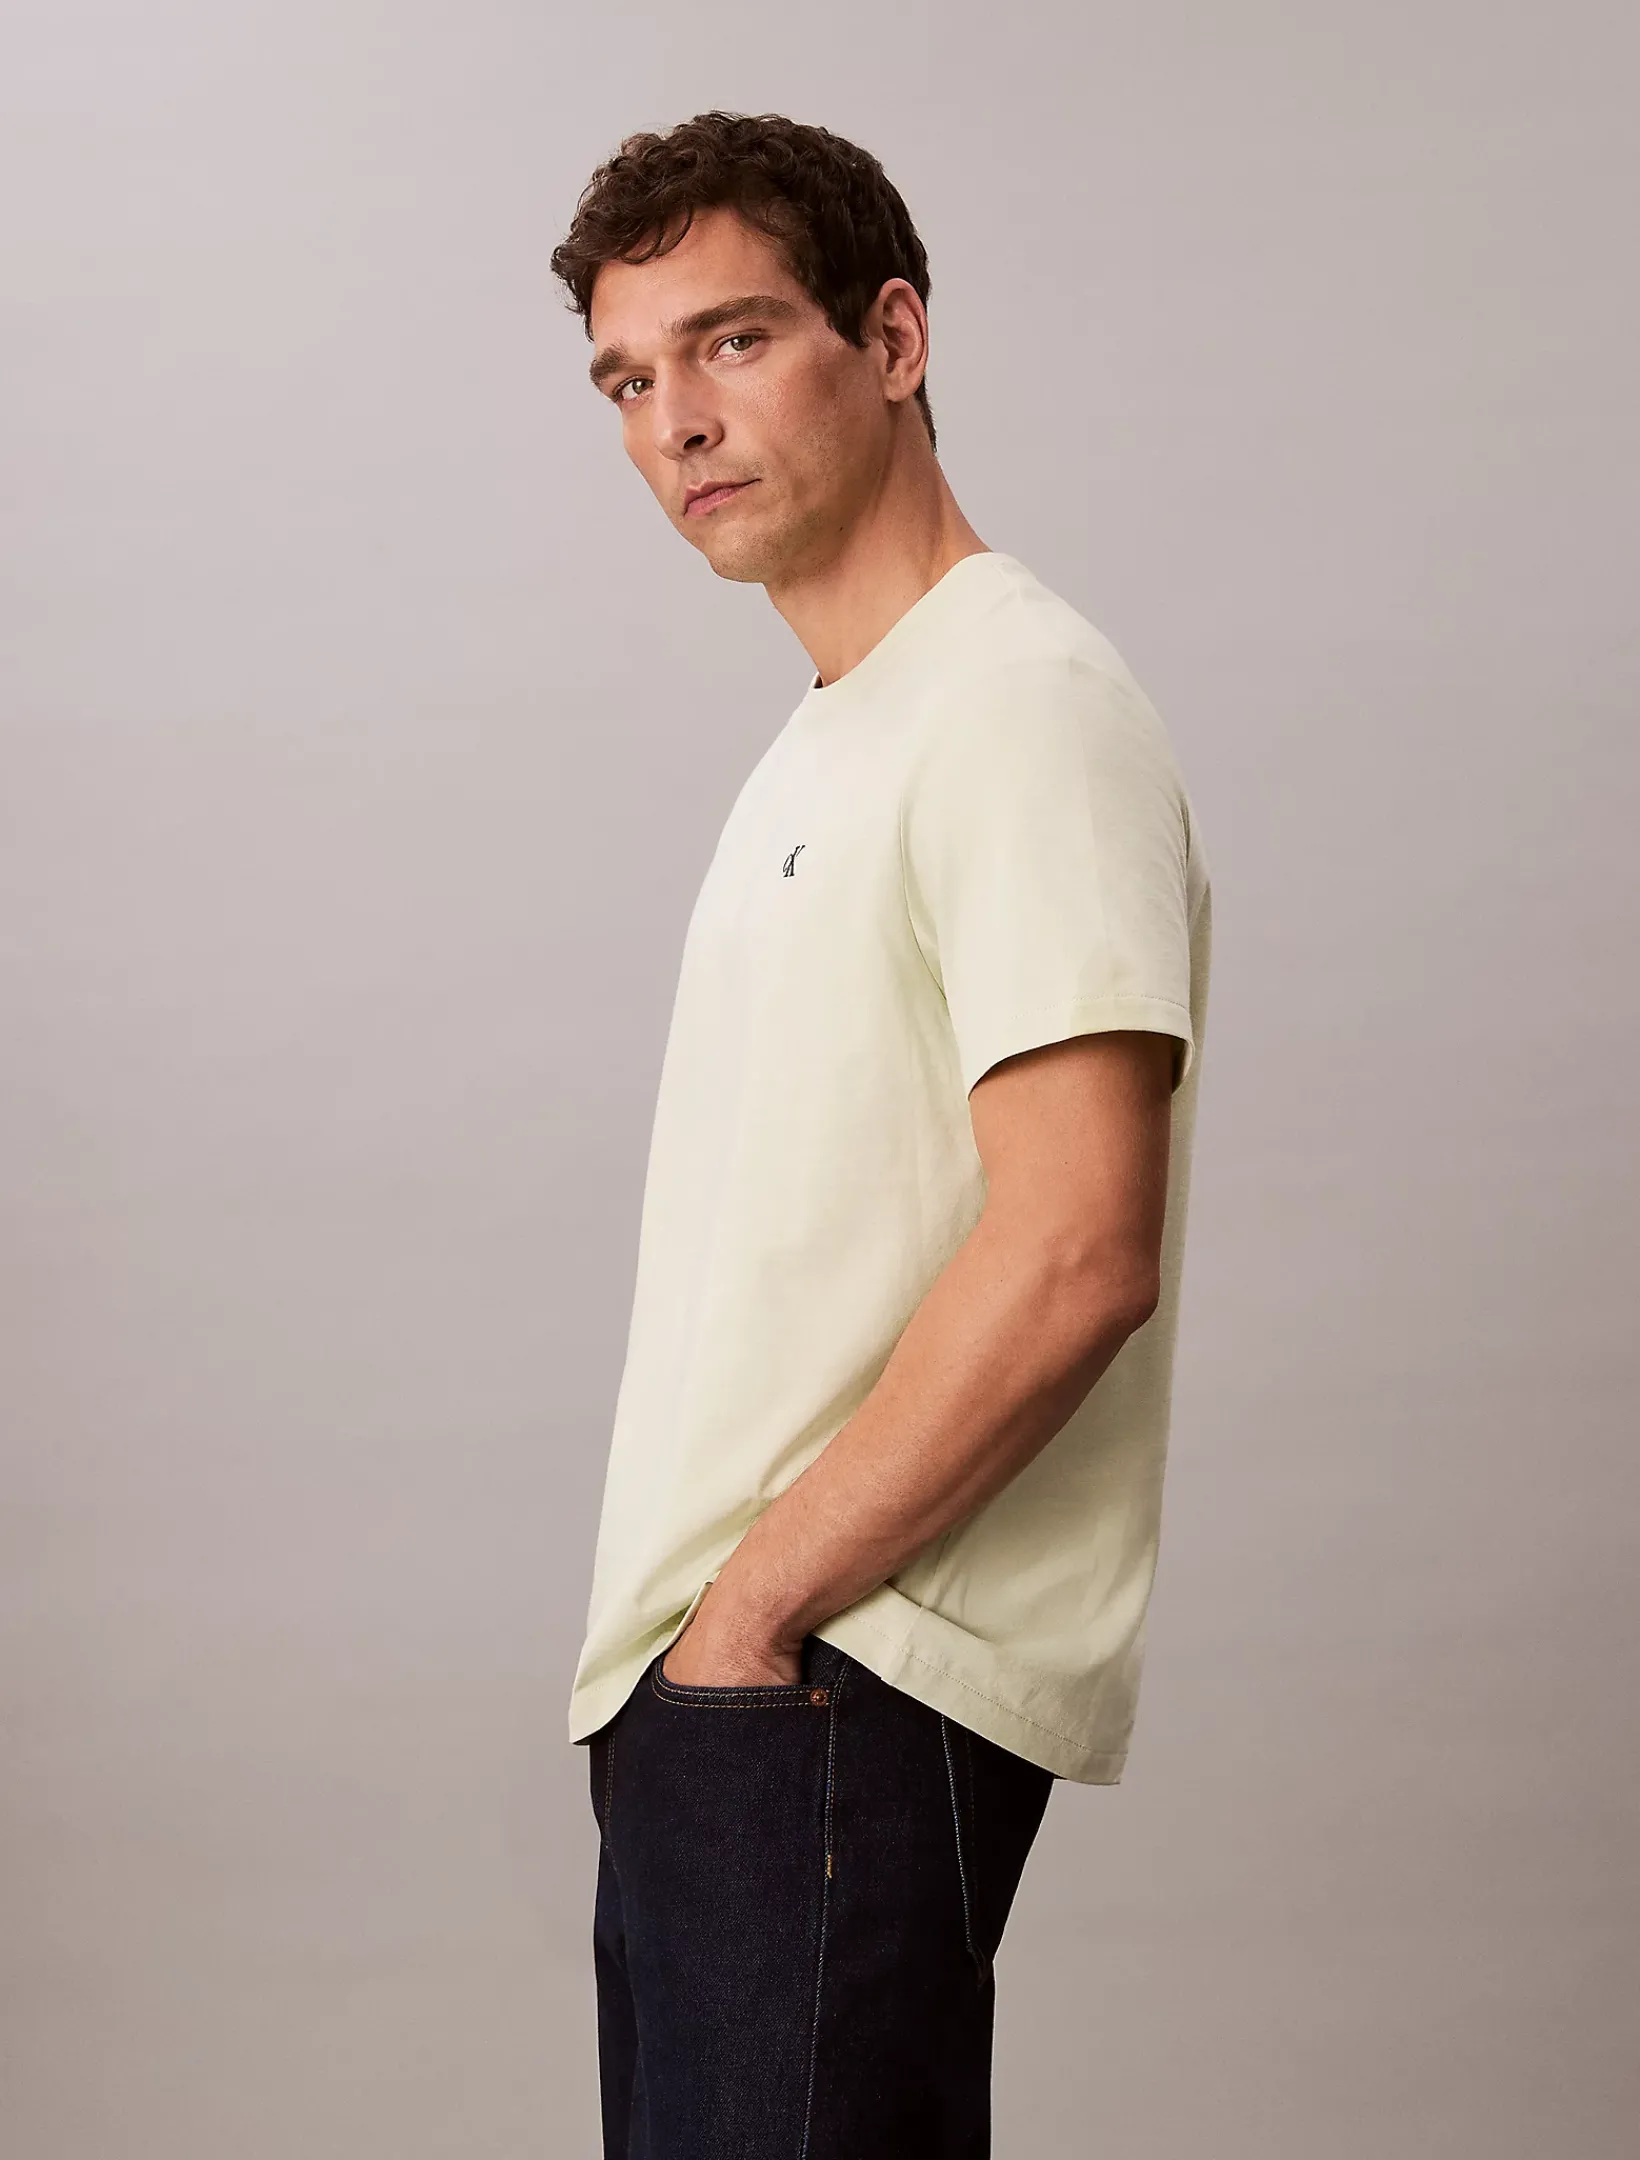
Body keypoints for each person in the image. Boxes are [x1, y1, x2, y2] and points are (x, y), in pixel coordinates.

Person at [550, 109, 1212, 2159]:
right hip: (737, 1700)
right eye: (627, 380)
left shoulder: (1019, 704)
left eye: (734, 341)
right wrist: (703, 1660)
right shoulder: (843, 731)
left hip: (833, 1675)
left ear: (896, 338)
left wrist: (755, 1620)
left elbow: (1081, 1243)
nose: (676, 421)